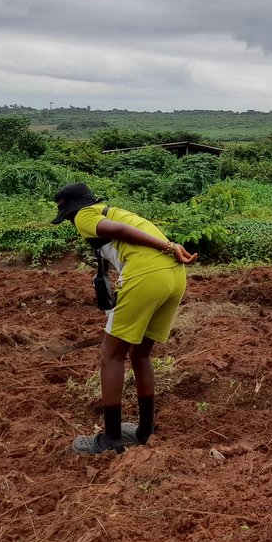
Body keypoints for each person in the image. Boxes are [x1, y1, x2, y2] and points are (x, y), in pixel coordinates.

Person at [51, 182, 197, 455]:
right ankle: (143, 432)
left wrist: (169, 245)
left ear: (71, 211)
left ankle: (112, 440)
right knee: (140, 354)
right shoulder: (113, 211)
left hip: (147, 274)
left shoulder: (84, 216)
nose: (72, 222)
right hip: (173, 277)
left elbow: (118, 232)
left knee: (111, 356)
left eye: (68, 217)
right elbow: (116, 245)